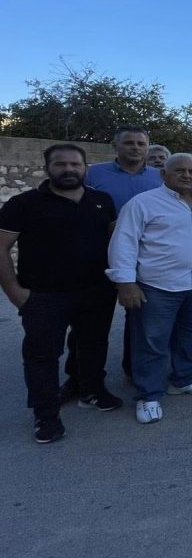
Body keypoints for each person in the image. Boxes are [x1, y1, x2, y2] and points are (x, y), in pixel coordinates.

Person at [0, 144, 119, 443]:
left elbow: (117, 243)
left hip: (96, 291)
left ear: (85, 168)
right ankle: (46, 415)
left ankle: (91, 390)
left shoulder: (102, 201)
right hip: (44, 296)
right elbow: (0, 247)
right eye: (60, 164)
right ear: (47, 167)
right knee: (42, 356)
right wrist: (14, 290)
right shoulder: (23, 203)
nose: (68, 169)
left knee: (92, 345)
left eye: (75, 164)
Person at [109, 154, 192, 424]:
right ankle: (149, 395)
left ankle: (183, 379)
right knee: (151, 342)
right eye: (179, 171)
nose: (186, 175)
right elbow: (124, 242)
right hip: (157, 287)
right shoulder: (143, 204)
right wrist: (125, 282)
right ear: (163, 175)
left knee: (191, 335)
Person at [85, 125, 165, 385]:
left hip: (147, 257)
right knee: (92, 323)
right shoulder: (94, 173)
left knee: (140, 320)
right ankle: (84, 379)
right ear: (115, 146)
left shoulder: (159, 176)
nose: (135, 148)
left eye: (141, 144)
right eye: (129, 143)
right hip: (99, 255)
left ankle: (133, 369)